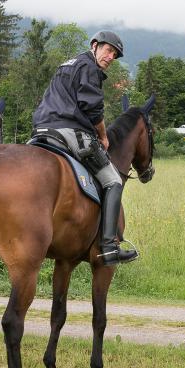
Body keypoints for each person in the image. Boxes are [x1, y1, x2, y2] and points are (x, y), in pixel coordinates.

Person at [32, 30, 137, 266]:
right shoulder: (89, 67)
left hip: (41, 130)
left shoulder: (66, 65)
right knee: (113, 181)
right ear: (95, 45)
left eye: (115, 55)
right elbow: (92, 107)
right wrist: (103, 135)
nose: (111, 57)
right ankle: (110, 247)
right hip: (69, 131)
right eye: (108, 50)